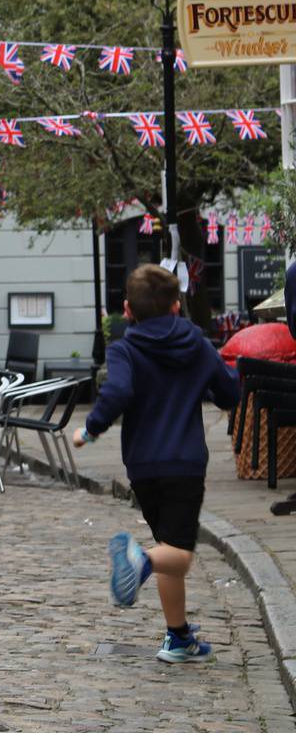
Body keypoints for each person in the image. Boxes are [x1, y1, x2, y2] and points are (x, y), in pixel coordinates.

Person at [75, 264, 239, 663]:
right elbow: (229, 395)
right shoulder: (197, 344)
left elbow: (118, 391)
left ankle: (179, 637)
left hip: (143, 465)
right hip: (183, 462)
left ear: (127, 309)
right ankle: (142, 560)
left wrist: (92, 429)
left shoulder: (124, 348)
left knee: (171, 545)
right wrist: (238, 373)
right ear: (177, 305)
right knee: (178, 553)